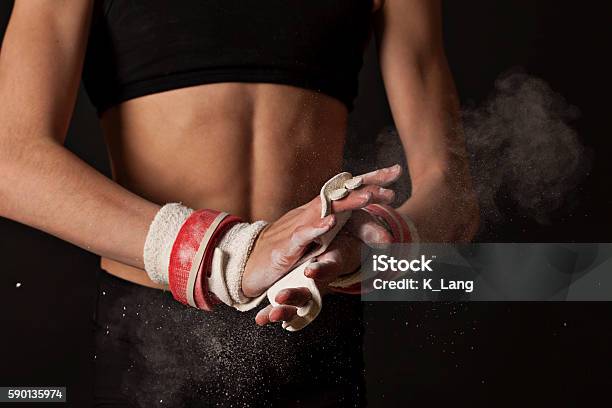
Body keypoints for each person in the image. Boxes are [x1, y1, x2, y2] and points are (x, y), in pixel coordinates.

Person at [0, 0, 479, 406]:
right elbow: (9, 160)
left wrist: (379, 244)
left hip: (317, 316)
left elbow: (455, 197)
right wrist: (227, 254)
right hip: (154, 329)